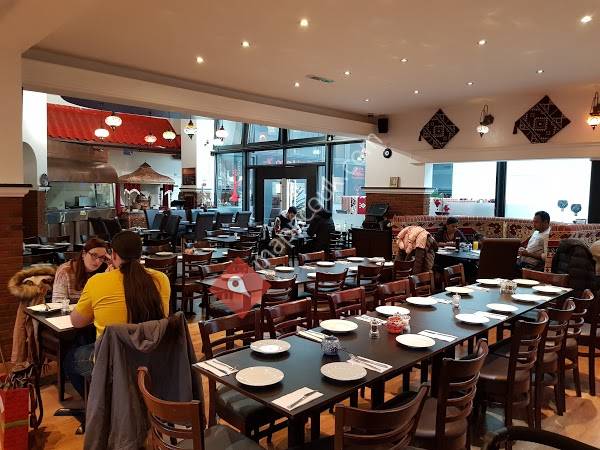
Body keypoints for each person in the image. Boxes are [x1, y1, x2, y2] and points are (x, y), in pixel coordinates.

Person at [65, 230, 171, 397]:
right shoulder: (161, 279)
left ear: (113, 255)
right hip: (150, 358)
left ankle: (95, 404)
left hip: (111, 362)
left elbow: (76, 322)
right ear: (140, 254)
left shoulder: (97, 282)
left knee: (70, 359)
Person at [52, 238, 109, 304]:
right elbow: (58, 302)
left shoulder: (106, 271)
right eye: (94, 255)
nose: (98, 261)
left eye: (102, 257)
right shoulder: (65, 271)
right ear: (83, 254)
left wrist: (112, 263)